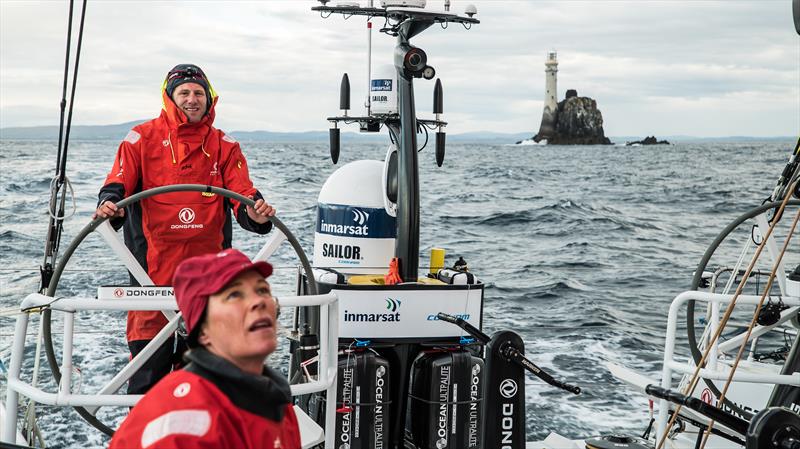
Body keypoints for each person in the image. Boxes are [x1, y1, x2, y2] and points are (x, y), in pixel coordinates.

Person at [94, 63, 276, 395]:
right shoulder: (140, 139)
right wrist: (109, 206)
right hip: (151, 284)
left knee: (210, 391)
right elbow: (116, 186)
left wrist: (257, 214)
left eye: (198, 93)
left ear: (209, 98)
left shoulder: (225, 145)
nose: (192, 99)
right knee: (147, 392)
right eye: (184, 93)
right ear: (169, 97)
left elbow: (244, 196)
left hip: (210, 291)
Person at [109, 249, 301, 449]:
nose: (259, 301)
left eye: (262, 290)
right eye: (235, 294)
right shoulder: (181, 426)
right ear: (202, 331)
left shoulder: (276, 402)